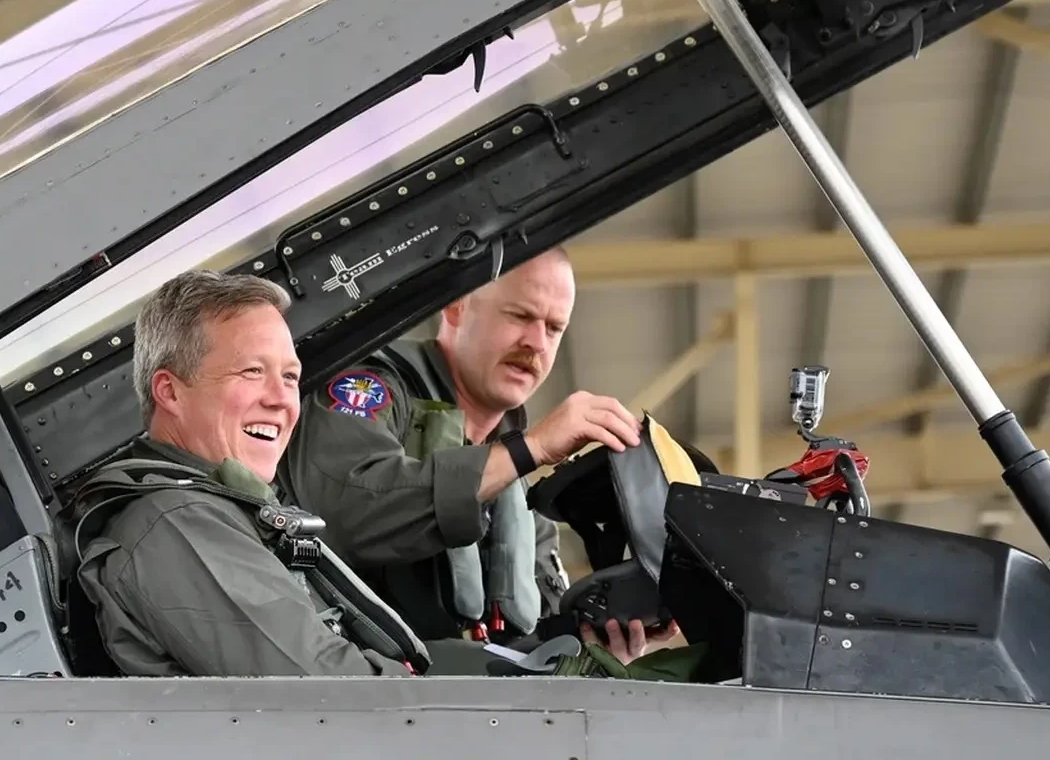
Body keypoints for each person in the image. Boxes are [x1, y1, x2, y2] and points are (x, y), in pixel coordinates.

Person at [66, 268, 674, 678]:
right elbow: (328, 697)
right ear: (170, 391)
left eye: (289, 376)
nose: (281, 400)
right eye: (252, 373)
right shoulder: (177, 523)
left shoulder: (226, 515)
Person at [282, 248, 680, 660]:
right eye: (520, 315)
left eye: (554, 328)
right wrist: (529, 449)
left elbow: (527, 645)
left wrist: (595, 648)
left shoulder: (519, 490)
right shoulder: (371, 387)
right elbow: (351, 512)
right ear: (456, 306)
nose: (536, 343)